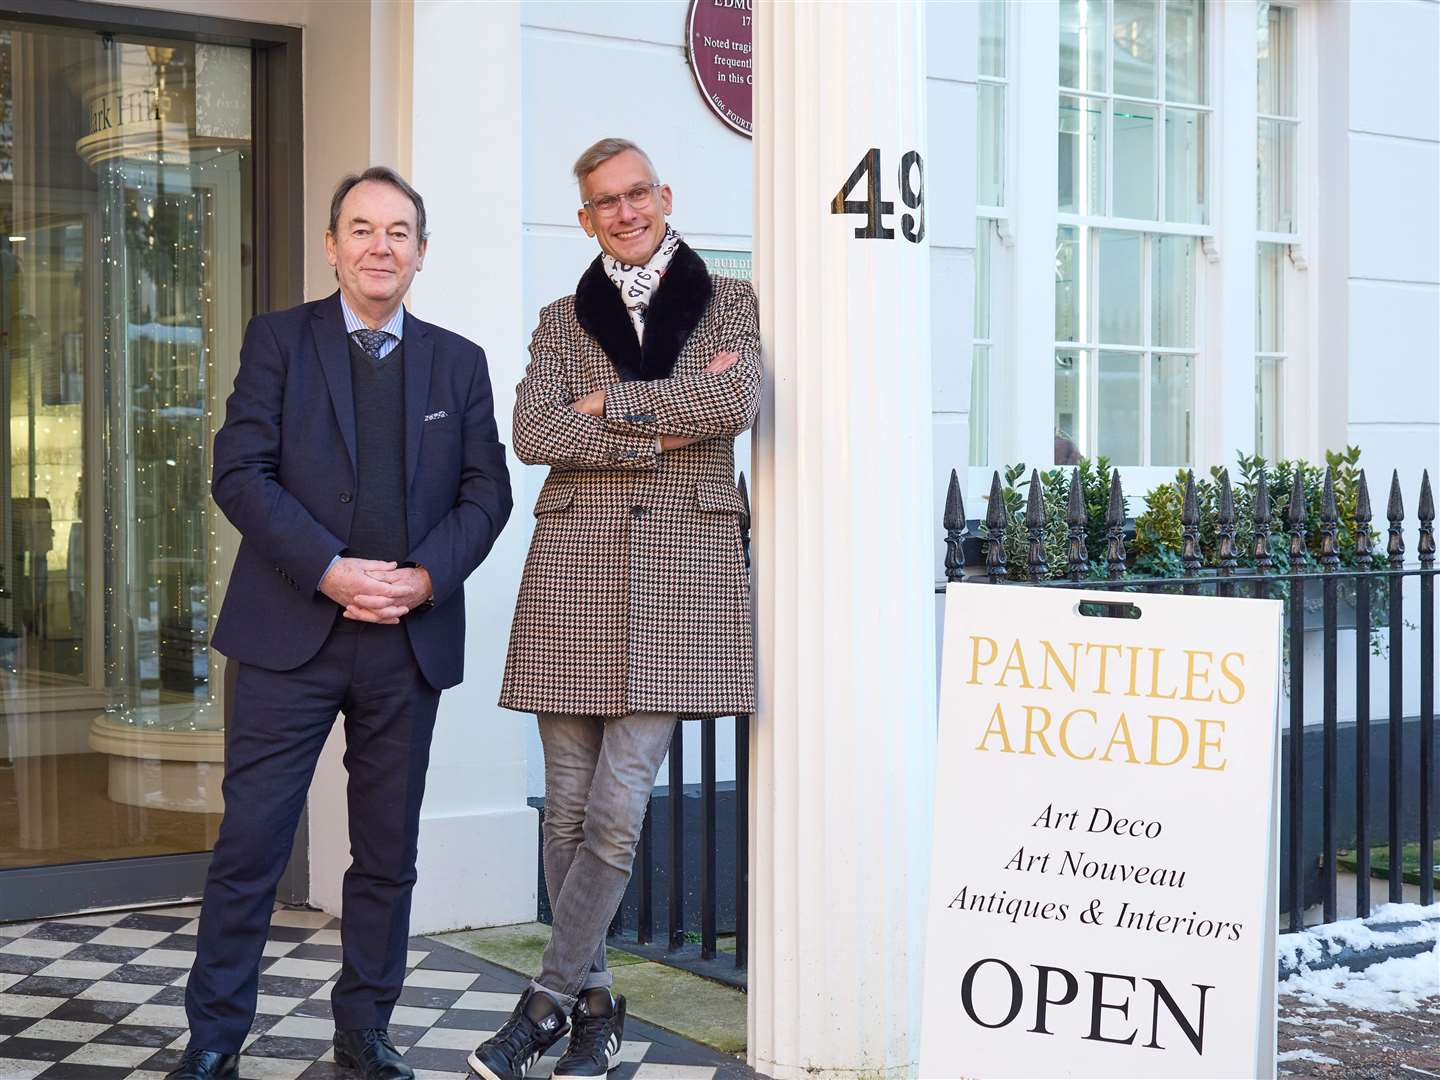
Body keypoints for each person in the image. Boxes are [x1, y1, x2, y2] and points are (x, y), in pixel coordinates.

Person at [169, 167, 512, 1080]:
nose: (380, 246)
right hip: (289, 635)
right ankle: (214, 1040)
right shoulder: (279, 341)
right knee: (252, 844)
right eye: (361, 229)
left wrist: (425, 577)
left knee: (387, 855)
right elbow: (240, 472)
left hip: (406, 639)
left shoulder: (460, 361)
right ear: (332, 245)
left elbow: (489, 492)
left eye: (399, 231)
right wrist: (328, 569)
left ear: (422, 252)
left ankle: (365, 1031)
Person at [471, 138, 760, 1080]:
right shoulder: (561, 320)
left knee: (616, 811)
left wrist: (610, 406)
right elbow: (534, 429)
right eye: (606, 201)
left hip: (682, 576)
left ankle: (545, 1001)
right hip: (575, 573)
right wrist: (664, 419)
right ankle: (595, 1004)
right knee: (563, 812)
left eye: (638, 193)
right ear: (584, 216)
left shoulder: (733, 300)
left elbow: (737, 401)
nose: (626, 211)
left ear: (664, 196)